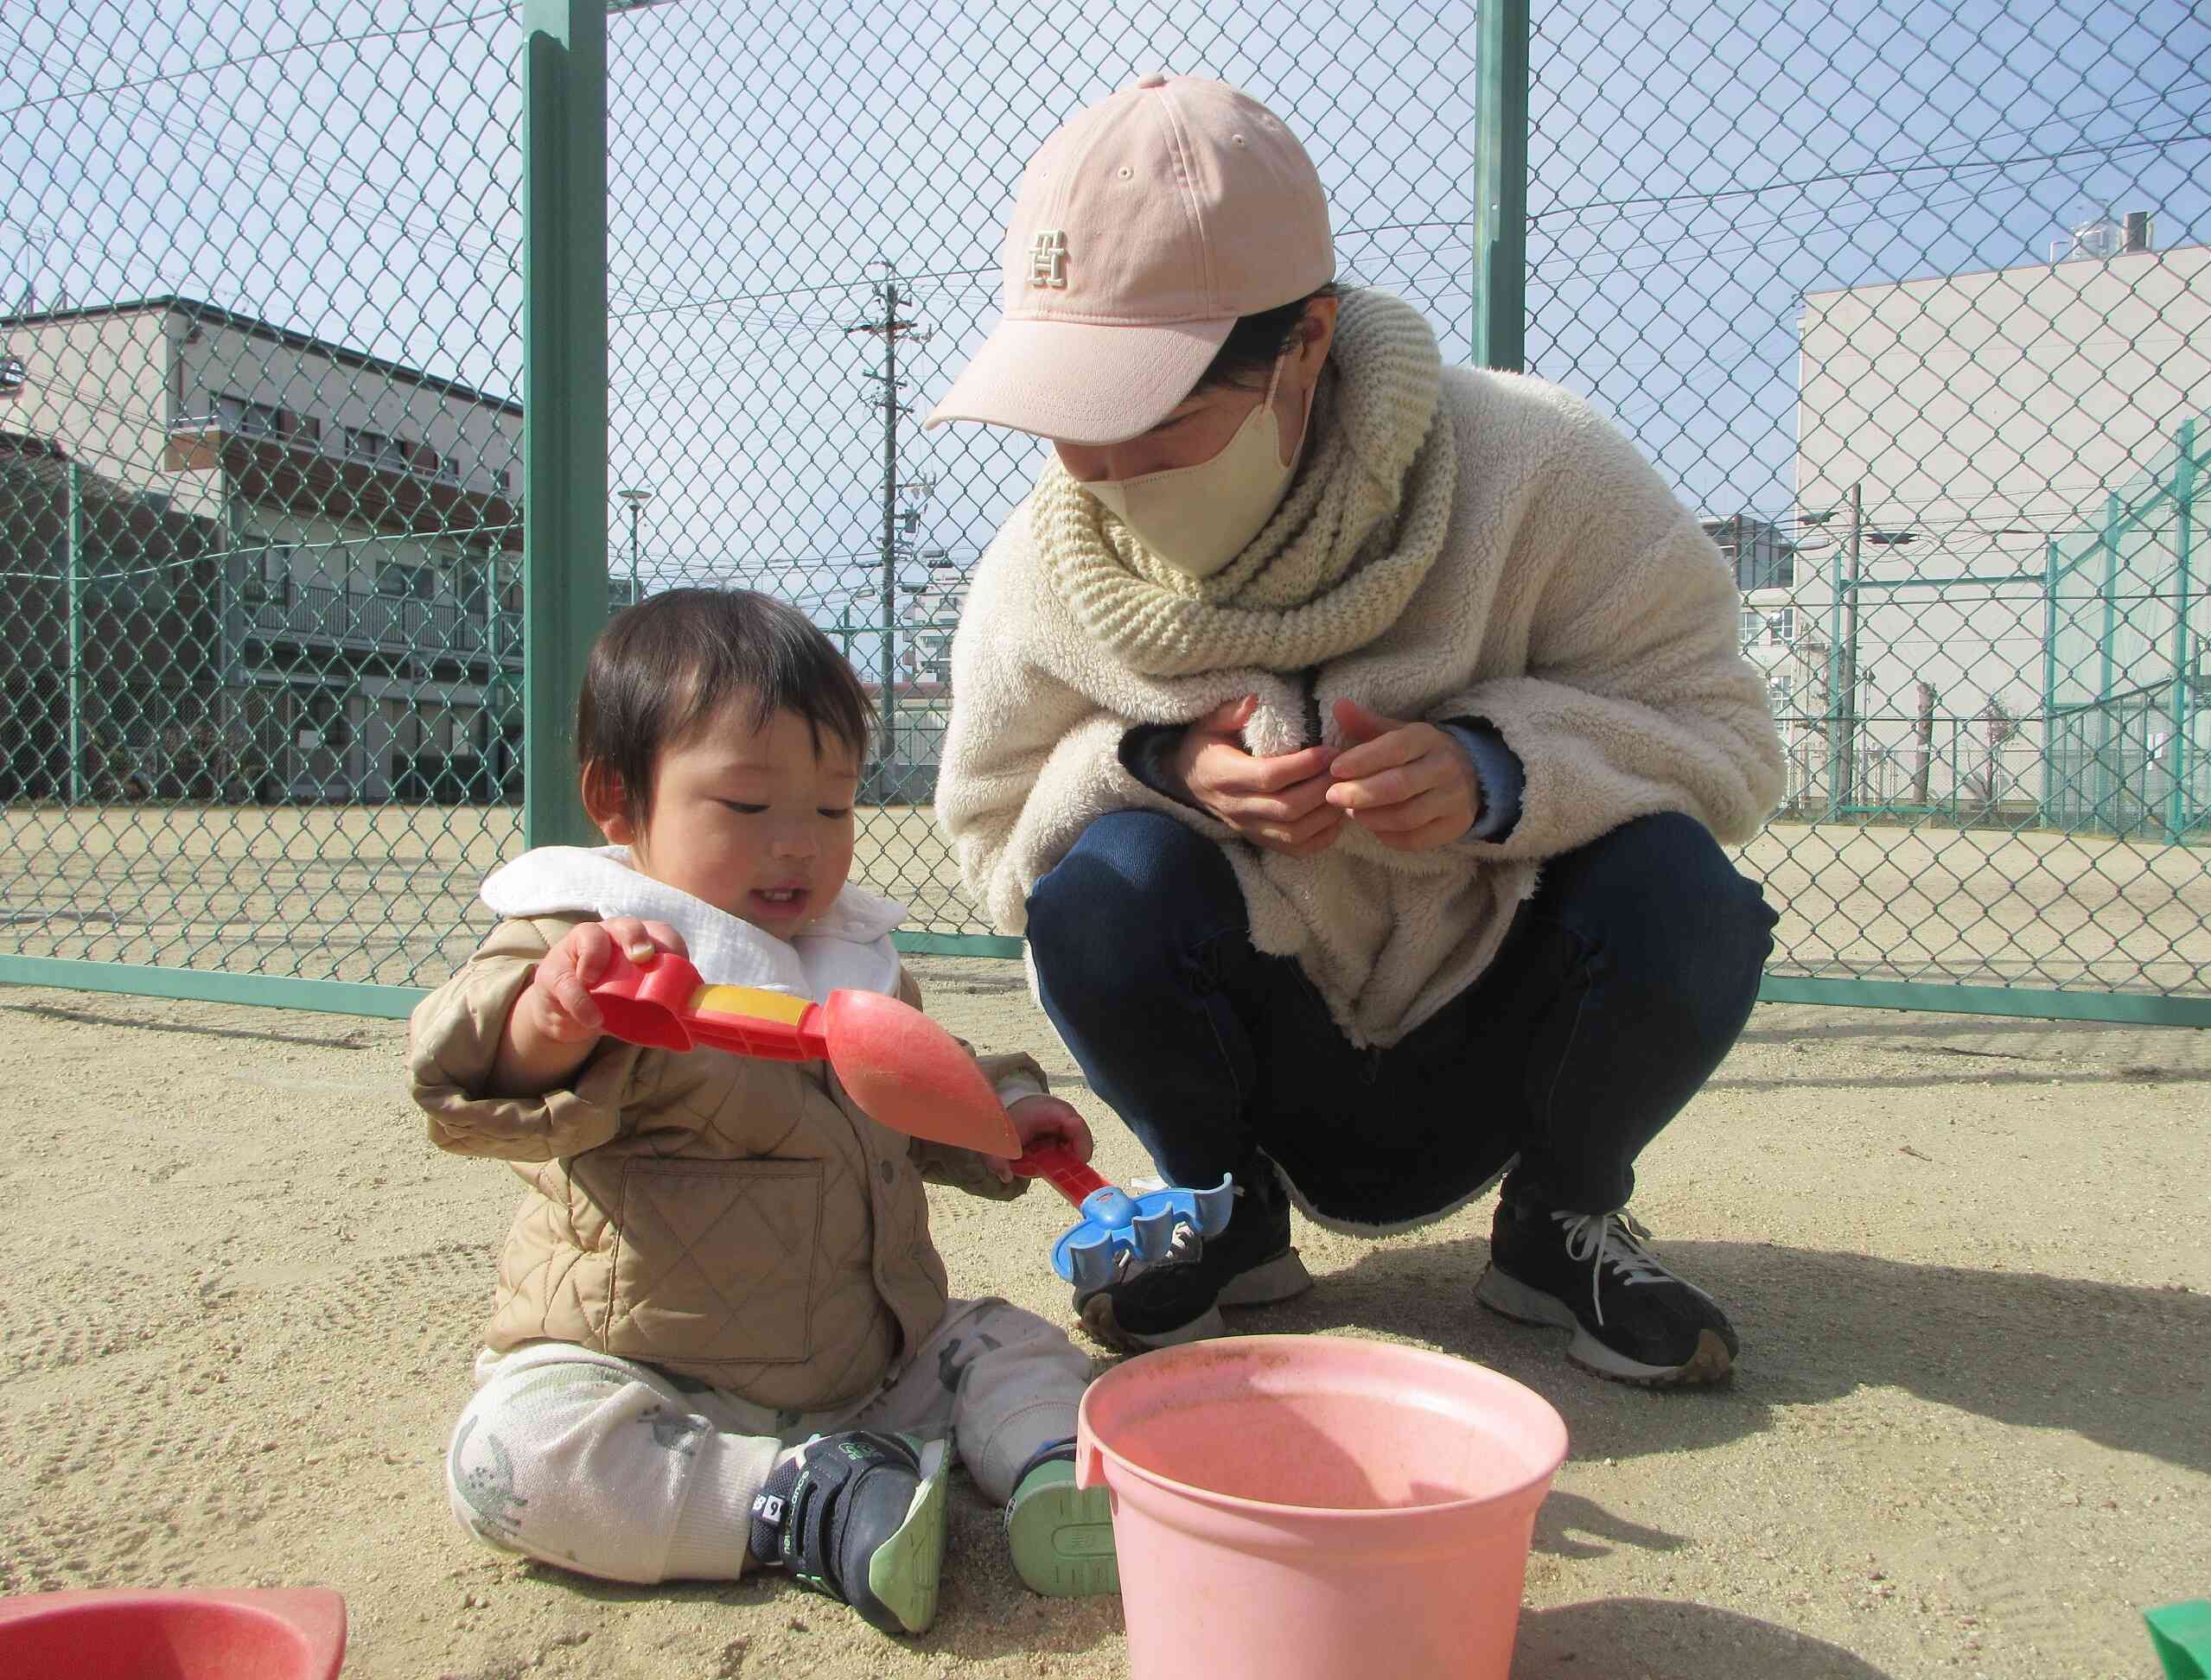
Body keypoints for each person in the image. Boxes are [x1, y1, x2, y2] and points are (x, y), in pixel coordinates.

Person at [927, 74, 1784, 1388]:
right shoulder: (1043, 562)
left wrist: (1502, 773)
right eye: (1063, 418)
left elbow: (1723, 735)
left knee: (1687, 895)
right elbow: (991, 837)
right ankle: (1223, 1217)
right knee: (1098, 890)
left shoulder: (1536, 468)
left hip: (1499, 1019)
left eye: (1151, 420)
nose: (1093, 472)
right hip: (1256, 1052)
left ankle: (1560, 1223)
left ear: (1306, 345)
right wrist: (1156, 768)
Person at [407, 589, 1116, 1635]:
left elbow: (919, 1080)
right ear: (618, 799)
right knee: (510, 1457)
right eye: (746, 807)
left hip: (875, 1361)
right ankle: (790, 1504)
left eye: (832, 809)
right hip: (650, 1377)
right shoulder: (594, 939)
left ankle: (1052, 1478)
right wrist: (552, 1016)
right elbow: (474, 1069)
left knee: (1011, 1344)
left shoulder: (847, 957)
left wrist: (1002, 1113)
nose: (798, 844)